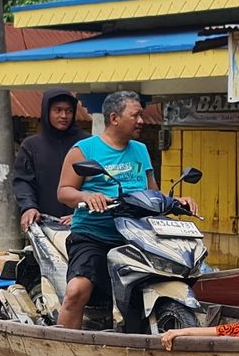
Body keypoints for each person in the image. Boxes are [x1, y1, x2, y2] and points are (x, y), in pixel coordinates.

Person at [57, 90, 197, 331]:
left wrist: (175, 201)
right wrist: (87, 196)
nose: (142, 121)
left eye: (141, 115)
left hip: (136, 235)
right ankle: (63, 350)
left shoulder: (141, 150)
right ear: (114, 118)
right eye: (136, 116)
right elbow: (64, 191)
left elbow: (152, 193)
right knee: (77, 291)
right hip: (94, 235)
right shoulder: (84, 150)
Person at [14, 88, 87, 230]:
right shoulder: (31, 146)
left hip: (83, 226)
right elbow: (23, 181)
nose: (64, 115)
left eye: (69, 111)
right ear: (46, 111)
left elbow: (99, 183)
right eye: (57, 110)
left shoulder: (86, 144)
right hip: (44, 226)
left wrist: (84, 215)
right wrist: (28, 207)